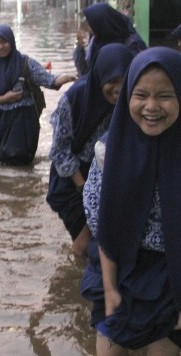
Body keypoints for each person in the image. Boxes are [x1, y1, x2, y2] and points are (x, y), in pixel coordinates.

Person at [80, 47, 181, 356]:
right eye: (141, 95)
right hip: (117, 264)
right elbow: (101, 224)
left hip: (173, 271)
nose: (151, 106)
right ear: (128, 95)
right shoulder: (108, 151)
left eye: (165, 96)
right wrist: (112, 289)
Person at [47, 43, 134, 258]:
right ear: (100, 76)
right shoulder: (75, 98)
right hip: (72, 178)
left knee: (100, 242)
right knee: (84, 245)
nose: (118, 88)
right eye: (112, 81)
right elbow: (59, 149)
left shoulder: (133, 99)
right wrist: (84, 186)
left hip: (109, 176)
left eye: (124, 81)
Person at [0, 24, 75, 165]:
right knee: (0, 164)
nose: (1, 47)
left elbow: (49, 80)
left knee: (22, 163)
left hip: (23, 121)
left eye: (4, 42)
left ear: (11, 42)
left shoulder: (25, 63)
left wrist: (68, 77)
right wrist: (6, 98)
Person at [74, 3, 146, 76]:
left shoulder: (133, 45)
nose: (89, 29)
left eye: (91, 25)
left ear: (101, 25)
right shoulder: (96, 42)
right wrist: (79, 46)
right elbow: (85, 73)